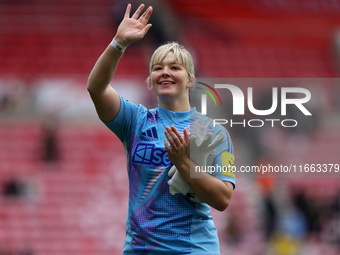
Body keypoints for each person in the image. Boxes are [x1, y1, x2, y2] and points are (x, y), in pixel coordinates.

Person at [87, 3, 236, 254]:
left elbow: (223, 199)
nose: (165, 72)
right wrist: (118, 43)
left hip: (194, 249)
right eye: (158, 68)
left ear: (190, 79)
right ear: (150, 80)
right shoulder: (135, 120)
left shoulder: (215, 133)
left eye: (175, 67)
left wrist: (183, 163)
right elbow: (96, 89)